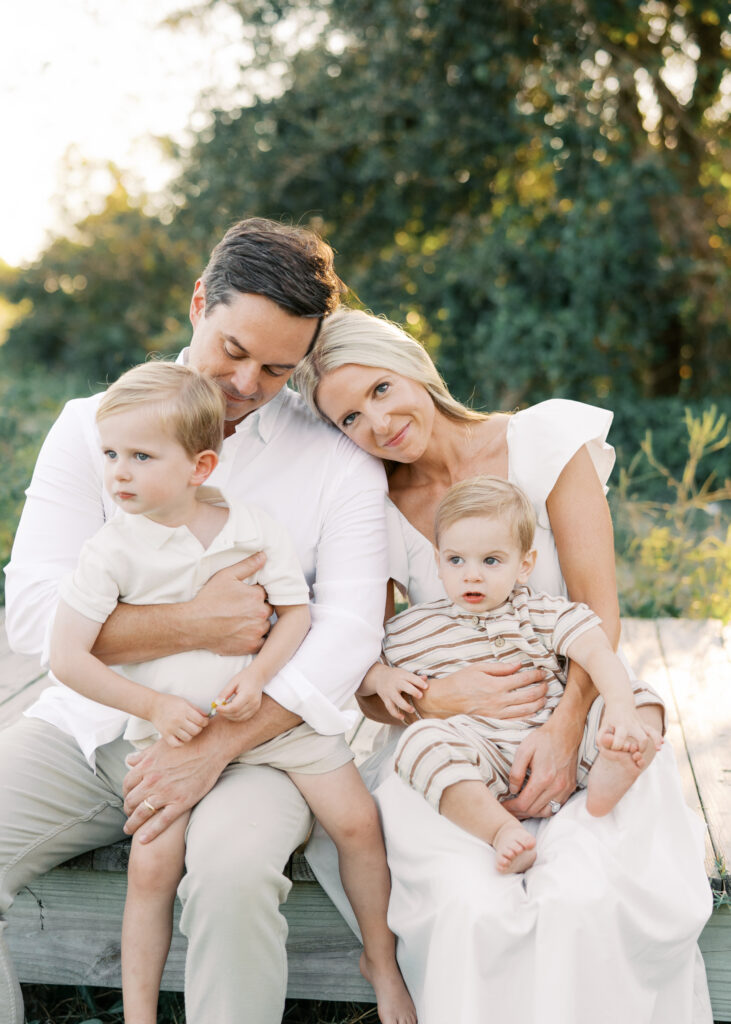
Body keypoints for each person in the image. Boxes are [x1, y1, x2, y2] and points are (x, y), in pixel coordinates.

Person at [1, 219, 392, 1024]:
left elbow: (351, 629)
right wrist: (190, 624)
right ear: (196, 306)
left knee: (234, 872)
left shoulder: (336, 461)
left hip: (254, 743)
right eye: (233, 349)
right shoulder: (91, 426)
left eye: (278, 368)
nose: (247, 382)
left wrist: (215, 745)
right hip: (92, 726)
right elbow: (37, 615)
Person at [294, 306, 714, 1024]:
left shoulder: (543, 439)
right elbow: (363, 664)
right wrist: (430, 701)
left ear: (415, 366)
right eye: (348, 419)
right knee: (472, 911)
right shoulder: (371, 503)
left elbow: (596, 613)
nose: (376, 423)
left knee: (584, 899)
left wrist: (560, 729)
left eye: (380, 390)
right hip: (460, 750)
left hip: (571, 718)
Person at [48, 361, 416, 1024]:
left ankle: (382, 963)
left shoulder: (250, 526)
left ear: (200, 465)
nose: (118, 474)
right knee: (150, 869)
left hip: (275, 727)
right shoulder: (110, 551)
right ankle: (138, 1015)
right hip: (173, 731)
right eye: (109, 455)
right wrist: (154, 707)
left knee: (359, 823)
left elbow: (296, 612)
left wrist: (258, 675)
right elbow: (65, 656)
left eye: (139, 456)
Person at [365, 474, 663, 874]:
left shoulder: (539, 611)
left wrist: (623, 711)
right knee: (419, 743)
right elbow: (362, 669)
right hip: (481, 757)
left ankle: (610, 770)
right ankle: (500, 828)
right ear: (438, 562)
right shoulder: (412, 629)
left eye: (491, 561)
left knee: (642, 696)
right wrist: (380, 679)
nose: (472, 574)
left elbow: (596, 649)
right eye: (456, 560)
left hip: (564, 750)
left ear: (524, 566)